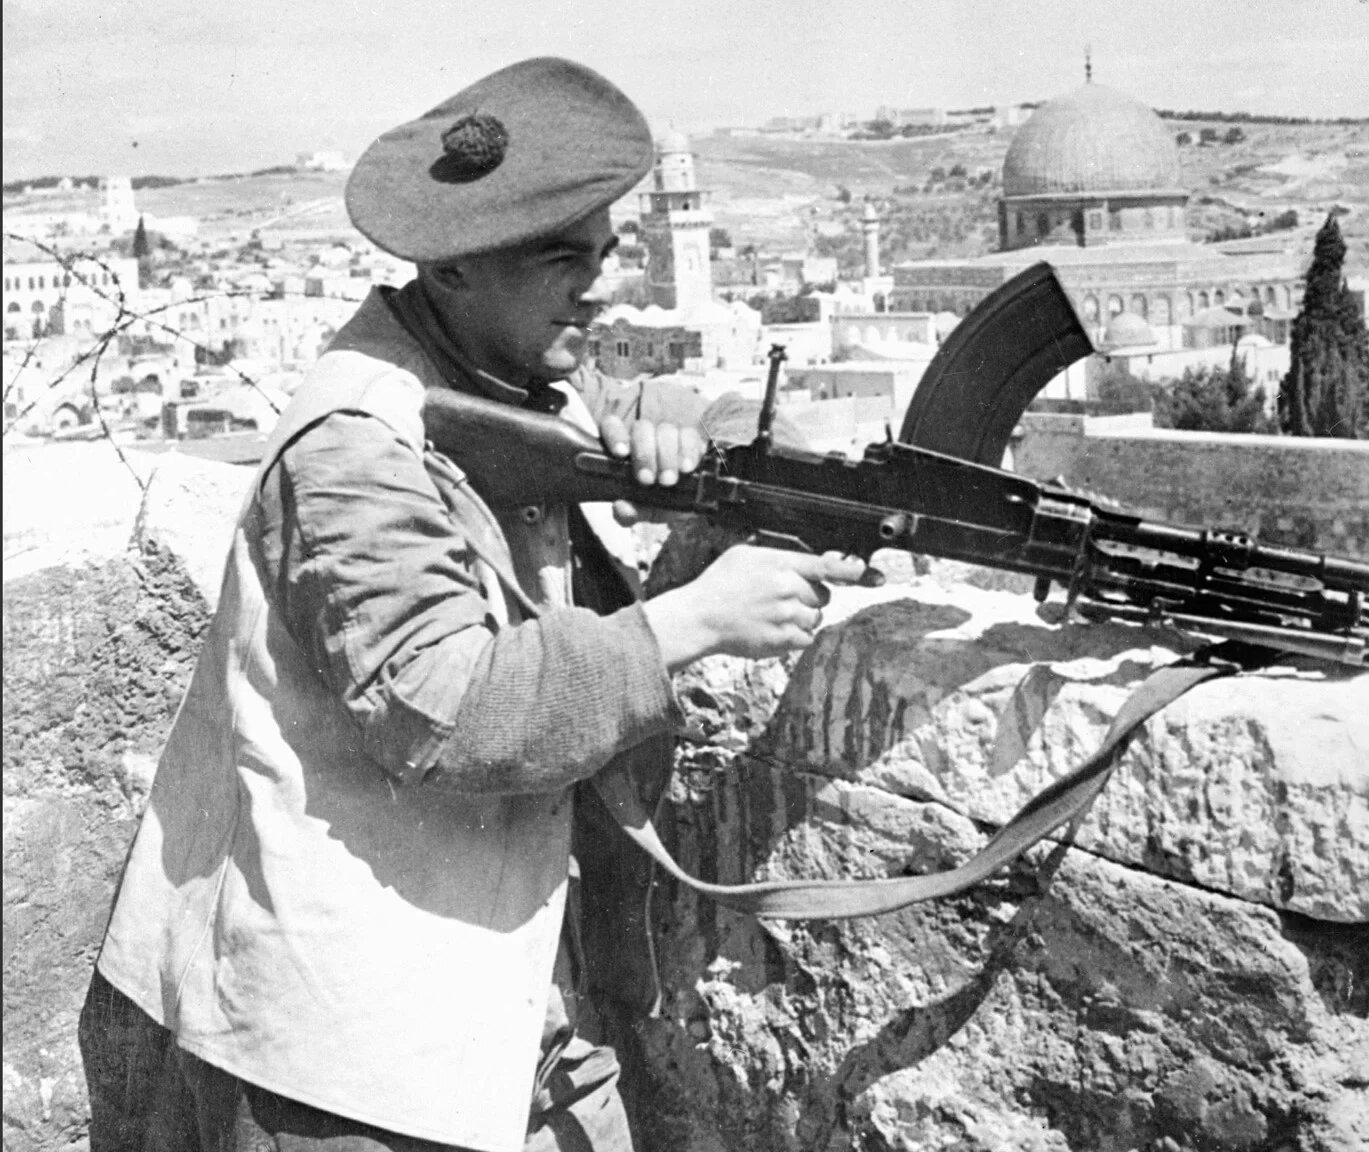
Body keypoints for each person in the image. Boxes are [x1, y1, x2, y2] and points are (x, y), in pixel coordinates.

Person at [78, 57, 865, 1152]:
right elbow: (444, 709)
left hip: (508, 1012)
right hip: (345, 1054)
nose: (596, 287)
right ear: (450, 269)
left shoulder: (512, 363)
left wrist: (691, 425)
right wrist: (692, 621)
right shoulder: (353, 447)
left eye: (603, 254)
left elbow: (674, 402)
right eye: (561, 261)